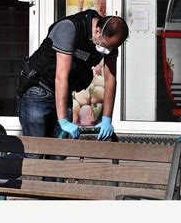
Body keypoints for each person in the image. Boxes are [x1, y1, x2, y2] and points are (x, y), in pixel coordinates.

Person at [18, 9, 129, 158]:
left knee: (58, 155)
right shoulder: (69, 28)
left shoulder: (110, 41)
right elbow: (61, 77)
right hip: (38, 89)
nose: (107, 51)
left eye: (111, 48)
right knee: (34, 153)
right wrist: (63, 121)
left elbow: (110, 79)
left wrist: (107, 119)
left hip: (63, 93)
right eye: (105, 46)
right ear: (97, 30)